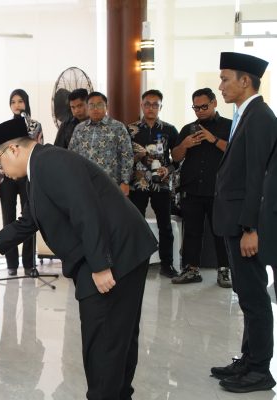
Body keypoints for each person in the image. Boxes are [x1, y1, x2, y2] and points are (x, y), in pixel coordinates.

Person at [0, 118, 157, 399]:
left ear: (13, 149)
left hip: (113, 256)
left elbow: (85, 209)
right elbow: (28, 222)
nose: (0, 169)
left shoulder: (50, 162)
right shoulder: (39, 167)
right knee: (115, 339)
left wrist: (101, 266)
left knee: (105, 343)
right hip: (114, 251)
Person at [210, 52, 277, 393]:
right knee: (246, 295)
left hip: (245, 225)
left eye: (225, 79)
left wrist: (251, 228)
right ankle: (249, 360)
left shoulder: (260, 117)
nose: (220, 85)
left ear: (245, 81)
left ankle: (261, 369)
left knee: (254, 298)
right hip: (235, 221)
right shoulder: (245, 115)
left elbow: (258, 178)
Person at [170, 88, 231, 287]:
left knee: (220, 231)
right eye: (196, 108)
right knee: (192, 232)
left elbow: (235, 151)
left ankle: (225, 270)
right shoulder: (188, 128)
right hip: (192, 188)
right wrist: (185, 145)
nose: (200, 111)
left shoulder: (229, 126)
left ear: (214, 103)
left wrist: (214, 139)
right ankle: (191, 269)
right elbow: (175, 157)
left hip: (219, 189)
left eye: (204, 107)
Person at [128, 89, 180, 278]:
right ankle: (135, 264)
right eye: (147, 104)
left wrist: (169, 169)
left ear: (160, 107)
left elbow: (178, 158)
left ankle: (167, 265)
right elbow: (124, 157)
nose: (151, 108)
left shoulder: (170, 130)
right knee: (136, 224)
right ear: (141, 105)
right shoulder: (130, 129)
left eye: (155, 104)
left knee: (165, 225)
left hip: (161, 183)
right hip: (138, 183)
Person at [0, 89, 41, 276]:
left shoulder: (35, 125)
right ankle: (11, 263)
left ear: (26, 102)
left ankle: (29, 264)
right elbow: (1, 156)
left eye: (20, 101)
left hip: (27, 176)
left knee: (30, 218)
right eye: (13, 102)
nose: (17, 105)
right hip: (7, 178)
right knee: (8, 220)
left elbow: (38, 150)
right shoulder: (6, 126)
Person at [68, 91, 133, 195]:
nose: (95, 109)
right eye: (91, 105)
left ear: (106, 107)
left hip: (111, 183)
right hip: (85, 183)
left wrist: (125, 182)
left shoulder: (118, 127)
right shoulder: (79, 128)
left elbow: (127, 155)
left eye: (99, 105)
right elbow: (72, 155)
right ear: (87, 107)